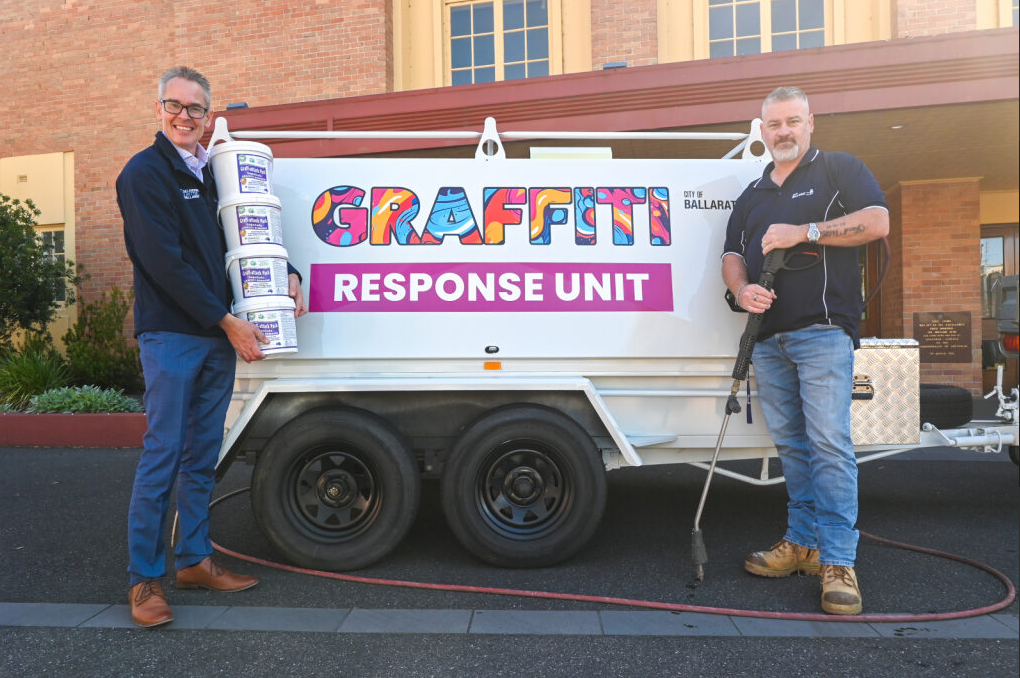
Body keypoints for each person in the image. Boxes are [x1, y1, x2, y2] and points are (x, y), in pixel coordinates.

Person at [117, 66, 307, 627]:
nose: (184, 116)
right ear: (159, 110)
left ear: (208, 115)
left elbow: (241, 234)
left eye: (195, 109)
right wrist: (228, 322)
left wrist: (287, 273)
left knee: (202, 457)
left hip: (215, 335)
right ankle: (144, 580)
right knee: (164, 457)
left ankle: (195, 559)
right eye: (174, 106)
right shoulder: (144, 173)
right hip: (174, 335)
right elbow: (164, 264)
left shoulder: (211, 174)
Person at [721, 86, 889, 615]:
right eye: (774, 124)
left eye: (792, 121)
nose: (783, 132)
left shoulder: (839, 169)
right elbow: (730, 253)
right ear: (762, 129)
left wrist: (806, 231)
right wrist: (741, 289)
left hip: (823, 332)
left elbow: (878, 221)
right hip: (767, 339)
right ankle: (802, 543)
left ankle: (839, 560)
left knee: (829, 444)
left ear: (810, 122)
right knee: (792, 447)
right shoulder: (751, 193)